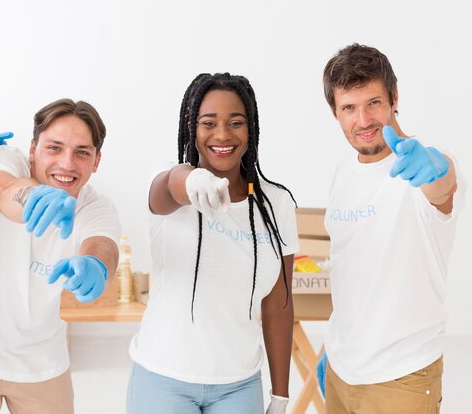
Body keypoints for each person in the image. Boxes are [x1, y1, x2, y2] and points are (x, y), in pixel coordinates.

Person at [0, 98, 121, 414]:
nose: (67, 163)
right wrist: (32, 197)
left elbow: (104, 245)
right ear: (33, 149)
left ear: (96, 161)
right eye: (54, 148)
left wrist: (96, 265)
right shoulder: (0, 160)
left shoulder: (95, 207)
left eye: (82, 152)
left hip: (41, 363)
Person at [127, 73, 299, 414]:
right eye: (209, 123)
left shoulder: (276, 204)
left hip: (239, 385)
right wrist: (192, 179)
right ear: (192, 128)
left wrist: (280, 395)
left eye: (235, 122)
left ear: (251, 129)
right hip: (164, 379)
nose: (222, 134)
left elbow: (279, 306)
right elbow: (168, 188)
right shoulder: (170, 187)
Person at [321, 43, 460, 414]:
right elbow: (347, 270)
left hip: (402, 380)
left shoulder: (422, 167)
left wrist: (438, 170)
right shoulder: (341, 175)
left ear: (395, 98)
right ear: (335, 112)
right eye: (349, 107)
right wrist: (330, 347)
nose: (363, 120)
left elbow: (442, 187)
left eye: (374, 103)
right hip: (340, 371)